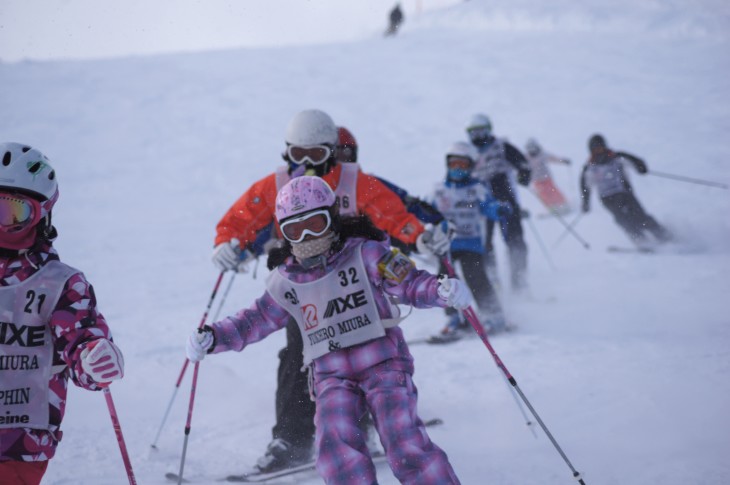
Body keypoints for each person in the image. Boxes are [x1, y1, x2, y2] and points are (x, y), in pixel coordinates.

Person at [211, 109, 451, 473]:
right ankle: (292, 438)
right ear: (287, 152)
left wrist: (418, 235)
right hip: (304, 286)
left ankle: (370, 425)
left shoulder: (355, 182)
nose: (307, 165)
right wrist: (227, 243)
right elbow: (243, 218)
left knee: (368, 353)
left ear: (333, 151)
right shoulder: (276, 186)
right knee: (299, 354)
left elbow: (392, 214)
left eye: (316, 156)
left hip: (357, 280)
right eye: (298, 155)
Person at [0, 143, 124, 484]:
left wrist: (95, 359)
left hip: (17, 442)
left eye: (12, 212)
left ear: (41, 215)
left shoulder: (60, 284)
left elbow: (82, 340)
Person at [429, 142, 512, 342]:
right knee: (445, 283)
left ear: (471, 167)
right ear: (447, 164)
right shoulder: (438, 190)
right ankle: (454, 318)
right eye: (454, 164)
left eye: (463, 165)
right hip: (445, 246)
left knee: (476, 278)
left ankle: (493, 314)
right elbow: (425, 212)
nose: (457, 169)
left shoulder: (477, 188)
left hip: (471, 244)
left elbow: (488, 206)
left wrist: (499, 209)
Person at [465, 113, 531, 291]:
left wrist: (524, 174)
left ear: (488, 130)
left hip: (505, 199)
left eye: (481, 132)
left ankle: (519, 280)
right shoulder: (468, 153)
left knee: (514, 239)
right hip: (480, 203)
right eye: (473, 133)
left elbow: (522, 162)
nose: (477, 137)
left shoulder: (501, 146)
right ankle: (493, 280)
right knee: (484, 243)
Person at [580, 134, 672, 245]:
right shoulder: (590, 167)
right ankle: (641, 240)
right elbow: (585, 187)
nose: (599, 151)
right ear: (591, 151)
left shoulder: (616, 157)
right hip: (607, 199)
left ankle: (663, 236)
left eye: (600, 148)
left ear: (604, 146)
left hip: (624, 193)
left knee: (640, 216)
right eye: (596, 149)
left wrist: (641, 167)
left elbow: (636, 162)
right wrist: (585, 202)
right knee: (622, 220)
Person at [525, 138, 571, 215]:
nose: (532, 151)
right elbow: (520, 165)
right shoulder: (527, 158)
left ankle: (563, 204)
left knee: (553, 190)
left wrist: (563, 161)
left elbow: (553, 158)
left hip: (546, 177)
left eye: (533, 148)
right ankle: (551, 207)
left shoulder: (542, 154)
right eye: (530, 149)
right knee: (543, 194)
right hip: (536, 180)